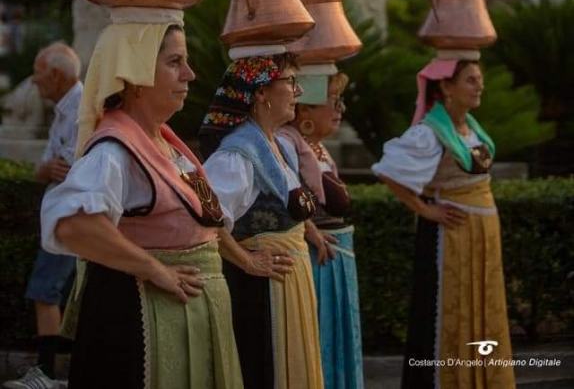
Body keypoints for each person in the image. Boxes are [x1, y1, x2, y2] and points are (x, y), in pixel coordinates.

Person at [40, 15, 243, 389]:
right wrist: (155, 269)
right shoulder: (115, 149)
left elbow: (205, 221)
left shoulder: (164, 143)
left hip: (185, 320)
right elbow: (73, 222)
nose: (190, 75)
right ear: (132, 78)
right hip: (142, 325)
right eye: (174, 62)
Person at [372, 58, 515, 389]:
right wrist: (423, 208)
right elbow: (388, 170)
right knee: (447, 314)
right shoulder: (429, 132)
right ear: (446, 88)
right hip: (449, 239)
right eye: (470, 80)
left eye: (480, 79)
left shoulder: (472, 128)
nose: (480, 85)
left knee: (484, 310)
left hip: (481, 239)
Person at [199, 55, 324, 389]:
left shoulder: (277, 145)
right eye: (290, 82)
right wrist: (246, 260)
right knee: (262, 370)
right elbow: (204, 217)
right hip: (259, 293)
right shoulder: (236, 155)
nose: (297, 91)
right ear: (260, 93)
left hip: (289, 284)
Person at [5, 43, 83, 389]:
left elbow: (68, 168)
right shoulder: (65, 109)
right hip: (61, 216)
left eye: (38, 74)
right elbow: (46, 168)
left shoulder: (82, 109)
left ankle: (48, 374)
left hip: (70, 217)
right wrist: (49, 169)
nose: (34, 83)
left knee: (44, 291)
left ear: (56, 75)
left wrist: (53, 169)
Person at [279, 71, 363, 389]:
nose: (340, 109)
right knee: (319, 334)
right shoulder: (288, 144)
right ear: (305, 111)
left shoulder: (318, 148)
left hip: (335, 255)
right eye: (333, 101)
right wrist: (309, 229)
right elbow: (283, 199)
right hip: (317, 258)